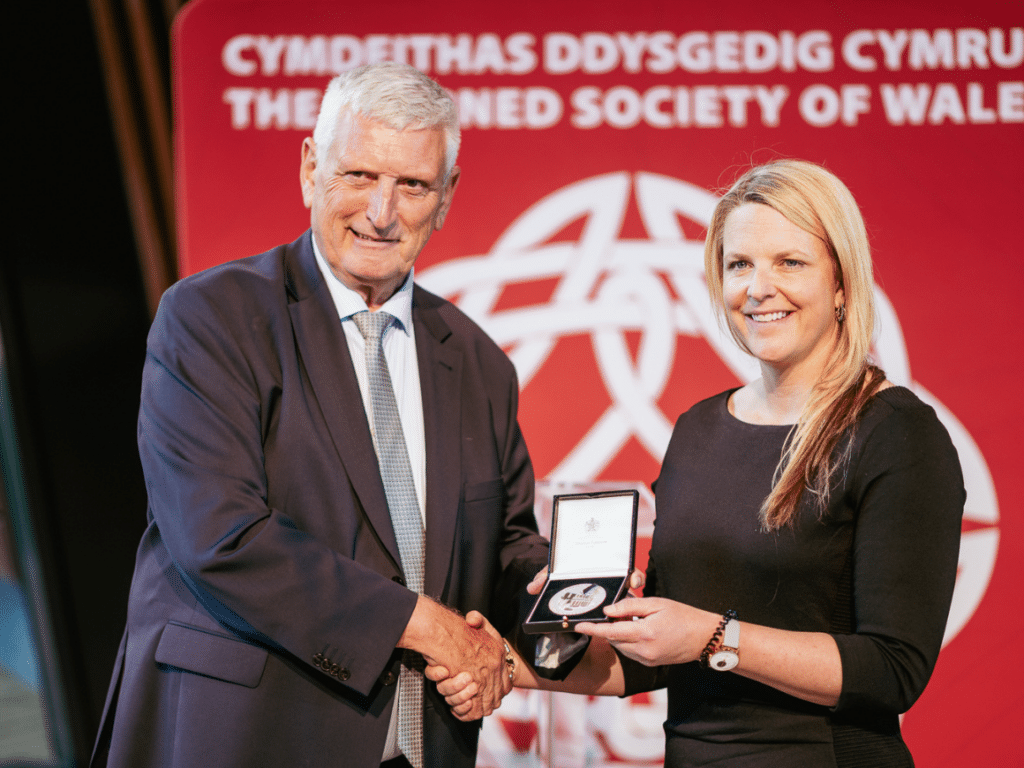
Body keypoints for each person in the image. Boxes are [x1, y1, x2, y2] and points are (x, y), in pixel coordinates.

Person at [91, 62, 550, 768]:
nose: (381, 212)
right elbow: (222, 536)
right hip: (247, 738)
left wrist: (571, 599)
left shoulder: (480, 363)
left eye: (413, 185)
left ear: (448, 195)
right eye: (359, 175)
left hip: (422, 747)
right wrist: (427, 625)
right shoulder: (212, 319)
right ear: (311, 168)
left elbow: (508, 547)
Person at [433, 159, 965, 767]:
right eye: (739, 264)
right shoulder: (697, 430)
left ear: (843, 282)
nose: (759, 287)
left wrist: (715, 637)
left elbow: (893, 670)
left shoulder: (896, 433)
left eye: (790, 262)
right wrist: (506, 655)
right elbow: (652, 656)